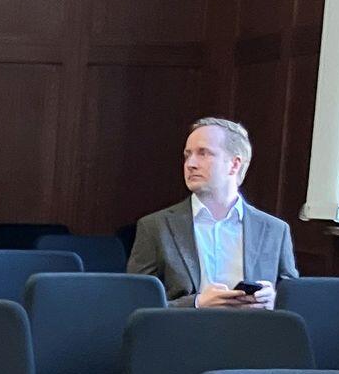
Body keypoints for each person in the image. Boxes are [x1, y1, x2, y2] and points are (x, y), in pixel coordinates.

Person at [127, 117, 298, 308]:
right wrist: (196, 303)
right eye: (187, 155)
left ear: (234, 164)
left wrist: (274, 299)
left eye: (203, 153)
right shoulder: (155, 227)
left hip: (252, 325)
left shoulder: (275, 230)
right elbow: (135, 303)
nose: (190, 164)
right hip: (185, 326)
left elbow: (294, 301)